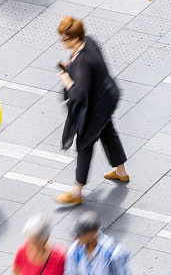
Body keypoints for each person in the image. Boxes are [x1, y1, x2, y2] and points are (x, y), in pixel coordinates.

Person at [55, 16, 129, 205]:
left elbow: (79, 94)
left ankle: (77, 191)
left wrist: (66, 80)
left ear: (74, 38)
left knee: (85, 142)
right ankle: (121, 172)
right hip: (108, 95)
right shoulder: (90, 42)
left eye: (64, 38)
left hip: (97, 105)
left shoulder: (83, 62)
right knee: (107, 131)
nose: (62, 41)